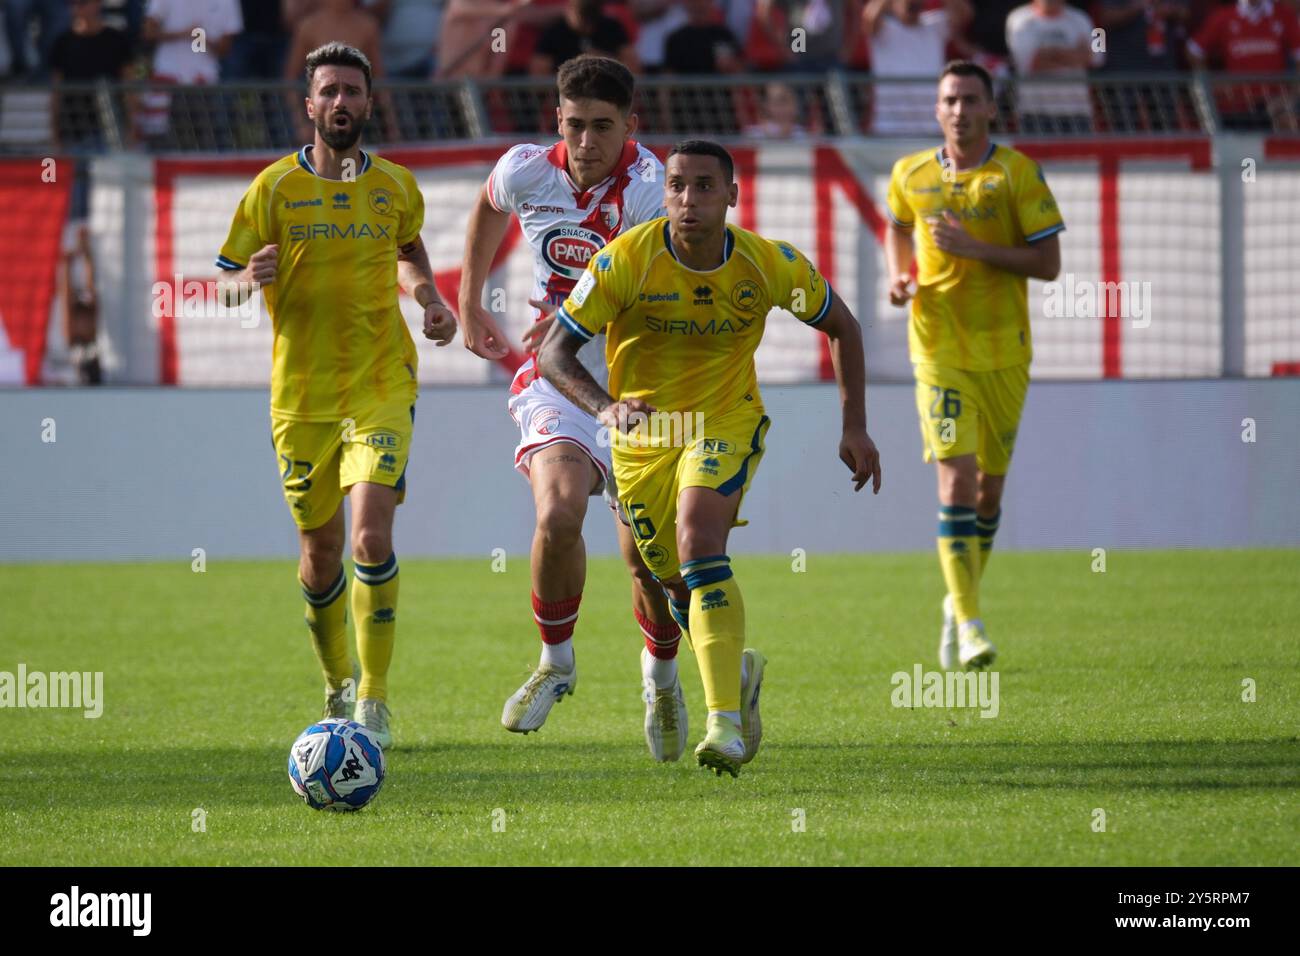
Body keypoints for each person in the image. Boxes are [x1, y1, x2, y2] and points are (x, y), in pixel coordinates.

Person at [537, 140, 882, 777]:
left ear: (731, 195)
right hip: (644, 439)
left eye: (702, 187)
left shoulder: (767, 263)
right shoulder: (625, 261)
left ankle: (722, 723)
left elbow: (844, 327)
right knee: (668, 582)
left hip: (725, 422)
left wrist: (854, 426)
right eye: (675, 186)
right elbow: (554, 353)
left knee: (699, 546)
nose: (687, 200)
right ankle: (736, 678)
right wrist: (605, 405)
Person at [215, 42, 458, 748]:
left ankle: (375, 701)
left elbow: (407, 250)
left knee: (370, 534)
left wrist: (430, 302)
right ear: (310, 105)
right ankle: (338, 681)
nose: (342, 103)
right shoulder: (272, 189)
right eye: (330, 92)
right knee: (320, 553)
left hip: (381, 385)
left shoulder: (395, 187)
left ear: (369, 102)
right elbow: (223, 281)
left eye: (353, 90)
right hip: (301, 399)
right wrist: (247, 278)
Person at [456, 56, 691, 761]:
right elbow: (486, 208)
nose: (587, 141)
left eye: (602, 127)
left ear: (631, 126)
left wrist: (579, 320)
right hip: (556, 380)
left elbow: (660, 290)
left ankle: (663, 681)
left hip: (639, 386)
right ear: (557, 120)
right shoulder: (527, 168)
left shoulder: (653, 189)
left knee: (646, 558)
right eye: (575, 125)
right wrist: (469, 303)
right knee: (558, 513)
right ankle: (556, 665)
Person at [884, 60, 1064, 672]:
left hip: (1005, 352)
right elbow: (898, 229)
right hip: (936, 350)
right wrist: (899, 277)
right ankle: (969, 623)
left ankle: (959, 599)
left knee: (988, 494)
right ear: (937, 110)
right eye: (949, 100)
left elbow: (1049, 265)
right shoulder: (909, 172)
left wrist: (976, 249)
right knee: (956, 481)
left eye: (970, 100)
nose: (959, 110)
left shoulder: (1016, 174)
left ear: (992, 108)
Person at [864, 0, 972, 135]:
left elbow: (963, 14)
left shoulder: (934, 26)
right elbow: (869, 17)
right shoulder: (884, 28)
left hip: (931, 128)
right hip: (890, 128)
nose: (912, 4)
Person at [1006, 0, 1103, 133]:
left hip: (1078, 112)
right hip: (1034, 112)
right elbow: (1029, 62)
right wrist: (1076, 54)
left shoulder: (1083, 18)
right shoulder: (1018, 19)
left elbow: (1099, 55)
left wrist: (1048, 53)